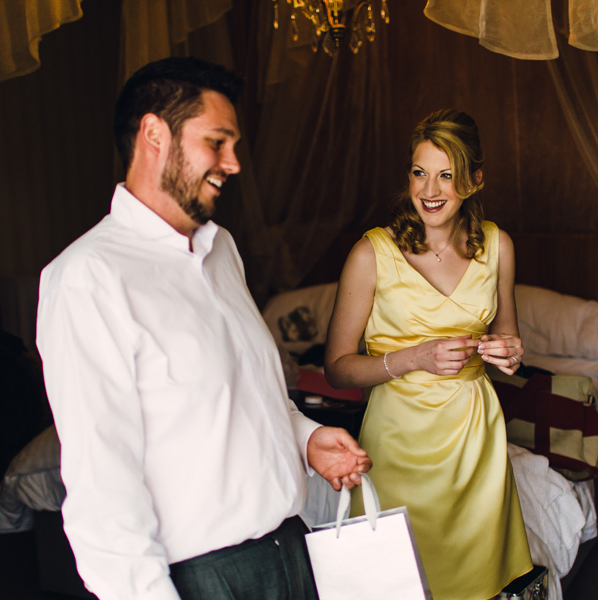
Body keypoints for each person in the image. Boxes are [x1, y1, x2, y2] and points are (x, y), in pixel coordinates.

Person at [36, 57, 371, 600]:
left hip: (291, 552)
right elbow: (103, 482)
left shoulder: (223, 252)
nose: (234, 163)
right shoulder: (87, 278)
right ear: (154, 135)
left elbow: (244, 393)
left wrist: (305, 439)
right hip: (200, 579)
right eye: (217, 142)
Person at [324, 109, 533, 600]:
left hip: (473, 441)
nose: (430, 189)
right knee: (396, 582)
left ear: (475, 180)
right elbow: (337, 368)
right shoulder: (370, 254)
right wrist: (414, 358)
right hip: (397, 443)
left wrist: (509, 353)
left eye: (447, 174)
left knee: (476, 584)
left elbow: (509, 345)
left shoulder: (498, 246)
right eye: (420, 172)